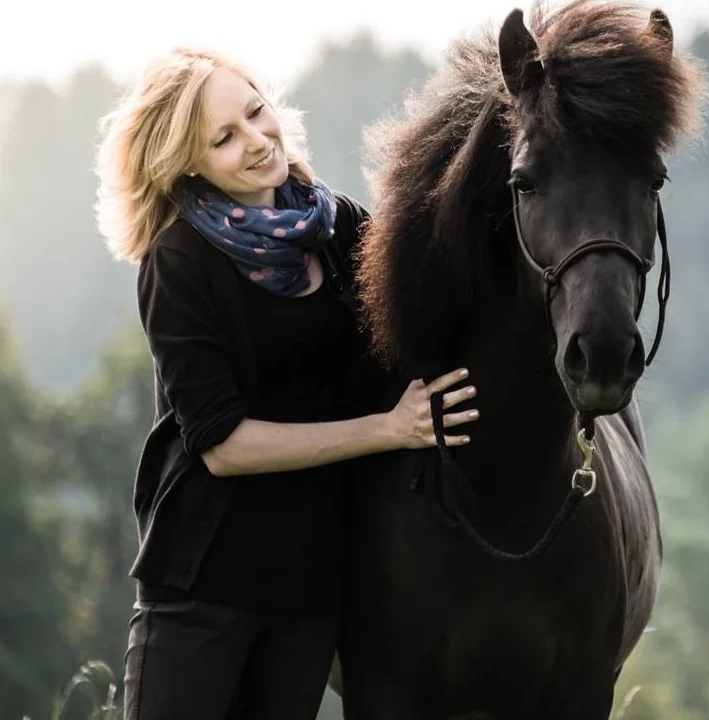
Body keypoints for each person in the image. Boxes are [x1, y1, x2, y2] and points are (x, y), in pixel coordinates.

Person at [94, 47, 480, 720]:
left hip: (309, 588)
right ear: (188, 164)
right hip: (203, 585)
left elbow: (431, 313)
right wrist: (390, 430)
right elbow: (223, 445)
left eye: (255, 113)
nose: (254, 141)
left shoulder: (342, 231)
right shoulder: (179, 262)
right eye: (223, 137)